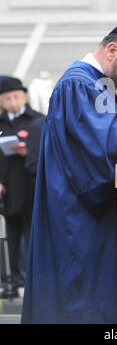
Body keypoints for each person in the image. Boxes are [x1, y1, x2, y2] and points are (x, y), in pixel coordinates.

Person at [21, 24, 117, 324]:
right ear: (112, 50)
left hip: (80, 205)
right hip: (76, 211)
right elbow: (109, 145)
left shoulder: (95, 84)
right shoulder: (80, 84)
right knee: (77, 298)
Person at [0, 77, 44, 298]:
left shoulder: (37, 120)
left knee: (31, 231)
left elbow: (45, 153)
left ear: (24, 97)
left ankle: (30, 279)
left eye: (16, 96)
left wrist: (28, 152)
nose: (13, 102)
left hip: (31, 186)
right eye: (7, 98)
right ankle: (13, 278)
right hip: (7, 189)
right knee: (12, 232)